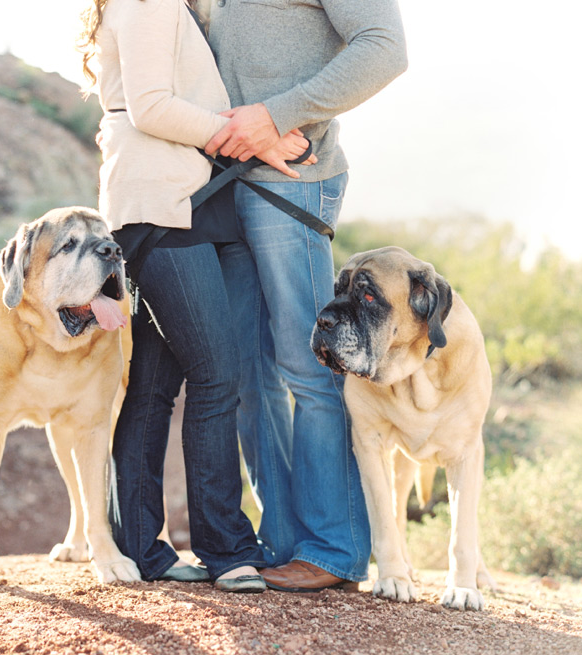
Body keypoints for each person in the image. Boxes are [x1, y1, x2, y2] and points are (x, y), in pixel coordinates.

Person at [77, 0, 314, 592]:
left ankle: (140, 547)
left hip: (190, 202)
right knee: (215, 374)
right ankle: (226, 548)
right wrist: (252, 140)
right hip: (159, 205)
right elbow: (152, 106)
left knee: (156, 386)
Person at [202, 0, 409, 592]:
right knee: (245, 374)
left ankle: (334, 548)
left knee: (311, 366)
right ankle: (286, 539)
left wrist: (277, 114)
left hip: (292, 186)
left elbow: (385, 46)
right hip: (221, 186)